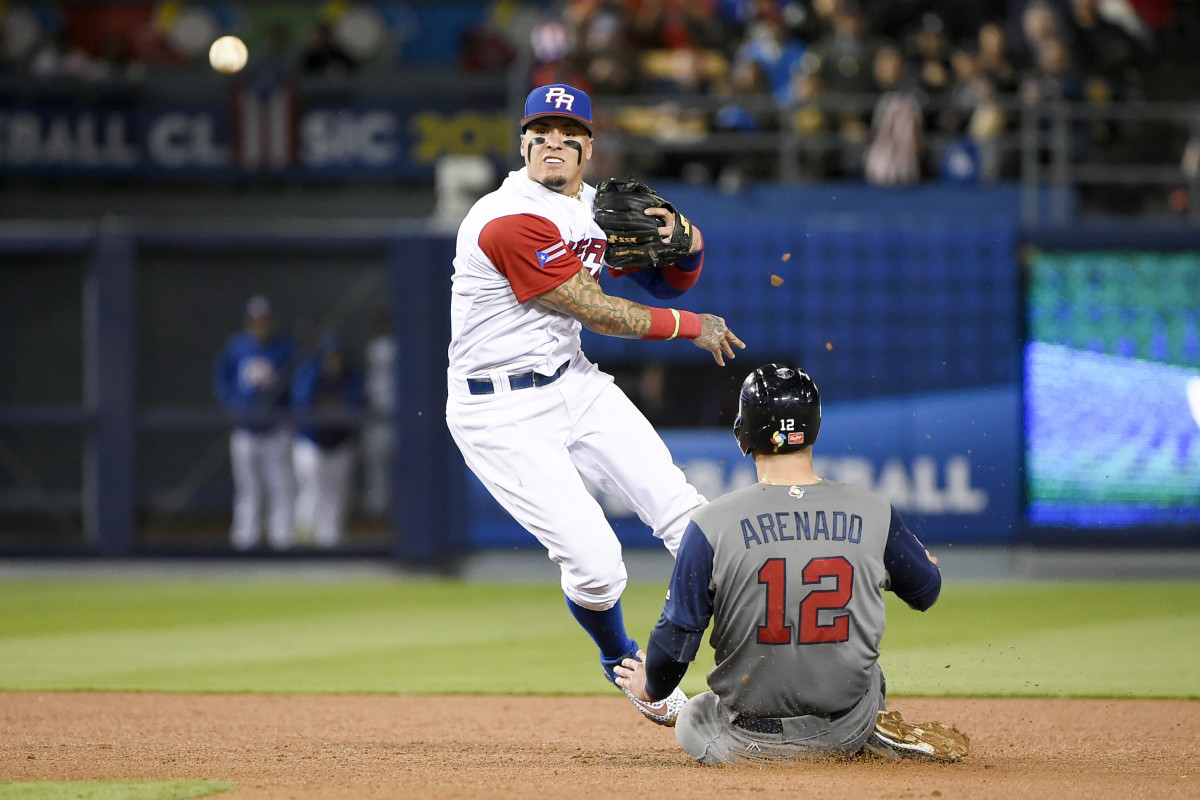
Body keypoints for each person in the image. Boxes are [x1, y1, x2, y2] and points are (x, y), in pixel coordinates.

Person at [445, 83, 744, 724]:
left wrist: (688, 240)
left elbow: (662, 278)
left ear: (589, 146)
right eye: (541, 130)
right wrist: (691, 325)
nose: (554, 140)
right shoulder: (506, 219)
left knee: (691, 517)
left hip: (572, 381)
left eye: (569, 132)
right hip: (498, 411)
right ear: (523, 141)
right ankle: (627, 664)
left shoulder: (592, 207)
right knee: (597, 563)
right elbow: (594, 309)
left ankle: (762, 655)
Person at [614, 364, 970, 763]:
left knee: (693, 714)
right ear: (814, 427)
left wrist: (652, 689)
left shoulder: (710, 524)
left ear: (742, 432)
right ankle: (868, 730)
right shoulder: (874, 510)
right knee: (869, 673)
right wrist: (919, 562)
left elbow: (675, 642)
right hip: (849, 724)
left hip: (751, 741)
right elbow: (927, 592)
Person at [212, 295, 298, 551]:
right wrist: (232, 406)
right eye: (256, 320)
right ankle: (245, 542)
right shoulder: (237, 347)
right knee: (248, 490)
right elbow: (222, 378)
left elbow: (296, 385)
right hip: (245, 429)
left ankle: (283, 541)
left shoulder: (285, 348)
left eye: (264, 319)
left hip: (276, 429)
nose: (260, 324)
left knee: (280, 488)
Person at [291, 332, 364, 548]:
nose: (334, 359)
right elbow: (303, 407)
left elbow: (355, 407)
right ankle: (301, 544)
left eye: (337, 355)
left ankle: (330, 544)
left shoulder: (351, 377)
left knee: (335, 497)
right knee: (312, 493)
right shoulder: (310, 374)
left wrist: (332, 408)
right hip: (311, 442)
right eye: (329, 355)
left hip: (339, 443)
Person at [361, 309, 397, 518]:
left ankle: (385, 509)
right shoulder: (374, 346)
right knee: (377, 464)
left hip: (392, 410)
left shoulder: (389, 346)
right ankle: (377, 510)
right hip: (377, 410)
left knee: (390, 465)